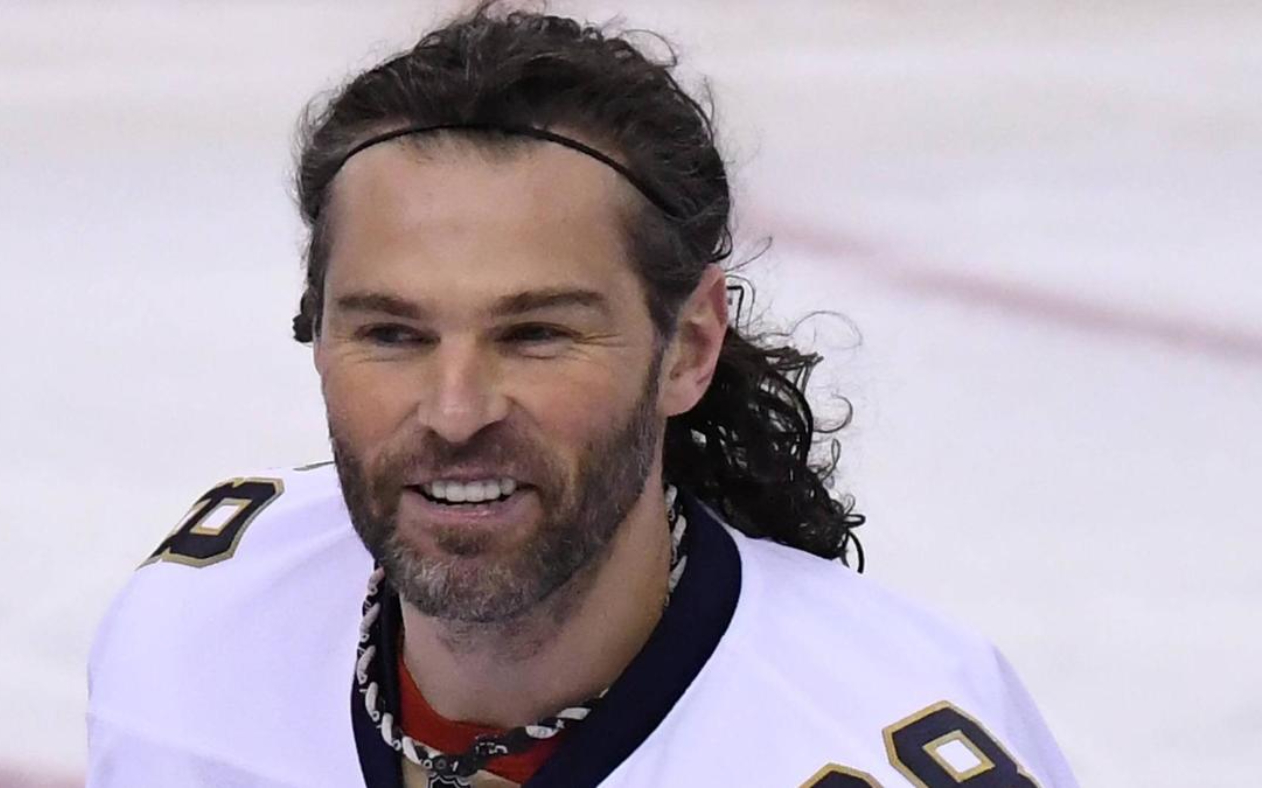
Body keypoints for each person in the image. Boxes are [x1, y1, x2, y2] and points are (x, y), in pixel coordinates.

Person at [86, 5, 1078, 787]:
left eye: (536, 334)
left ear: (688, 347)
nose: (455, 409)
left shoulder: (874, 743)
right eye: (391, 333)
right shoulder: (193, 630)